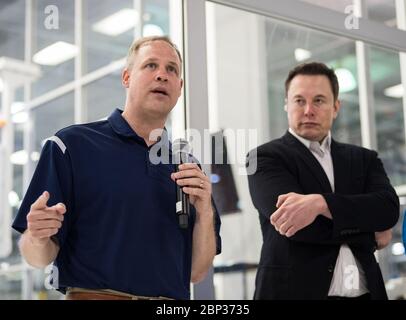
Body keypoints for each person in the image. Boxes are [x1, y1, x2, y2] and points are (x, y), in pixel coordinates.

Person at [12, 36, 221, 300]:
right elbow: (39, 257)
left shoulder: (188, 165)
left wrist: (204, 212)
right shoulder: (72, 146)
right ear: (126, 77)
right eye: (150, 65)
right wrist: (38, 236)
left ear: (179, 88)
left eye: (172, 69)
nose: (162, 75)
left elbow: (196, 272)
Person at [247, 62, 399, 300]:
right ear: (286, 104)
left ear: (335, 106)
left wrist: (319, 204)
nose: (308, 110)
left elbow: (388, 209)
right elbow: (295, 226)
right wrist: (369, 233)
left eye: (319, 100)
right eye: (299, 100)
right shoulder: (263, 158)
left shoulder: (364, 158)